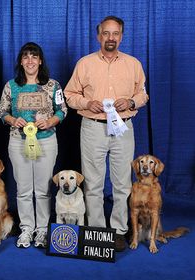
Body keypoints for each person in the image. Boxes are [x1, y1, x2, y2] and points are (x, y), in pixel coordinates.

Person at [64, 16, 149, 251]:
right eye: (106, 33)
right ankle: (98, 231)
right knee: (93, 183)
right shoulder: (85, 63)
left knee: (123, 183)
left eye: (115, 34)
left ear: (121, 36)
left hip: (123, 128)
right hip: (92, 127)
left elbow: (143, 95)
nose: (110, 38)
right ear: (98, 35)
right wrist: (86, 102)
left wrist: (131, 101)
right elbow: (69, 94)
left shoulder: (133, 64)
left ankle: (119, 230)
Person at [0, 42, 67, 248]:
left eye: (34, 57)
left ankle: (43, 230)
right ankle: (27, 228)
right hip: (19, 142)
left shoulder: (53, 85)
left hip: (46, 141)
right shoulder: (11, 86)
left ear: (40, 61)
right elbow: (2, 111)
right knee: (24, 188)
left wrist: (51, 121)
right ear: (21, 61)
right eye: (26, 57)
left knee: (44, 189)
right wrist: (12, 120)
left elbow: (62, 110)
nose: (30, 61)